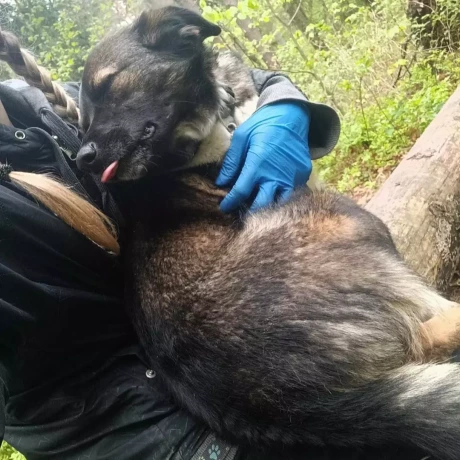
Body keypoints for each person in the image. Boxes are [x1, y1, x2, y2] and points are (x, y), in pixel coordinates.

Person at [0, 28, 418, 460]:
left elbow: (207, 73)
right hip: (169, 433)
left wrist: (283, 106)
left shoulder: (48, 103)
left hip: (243, 360)